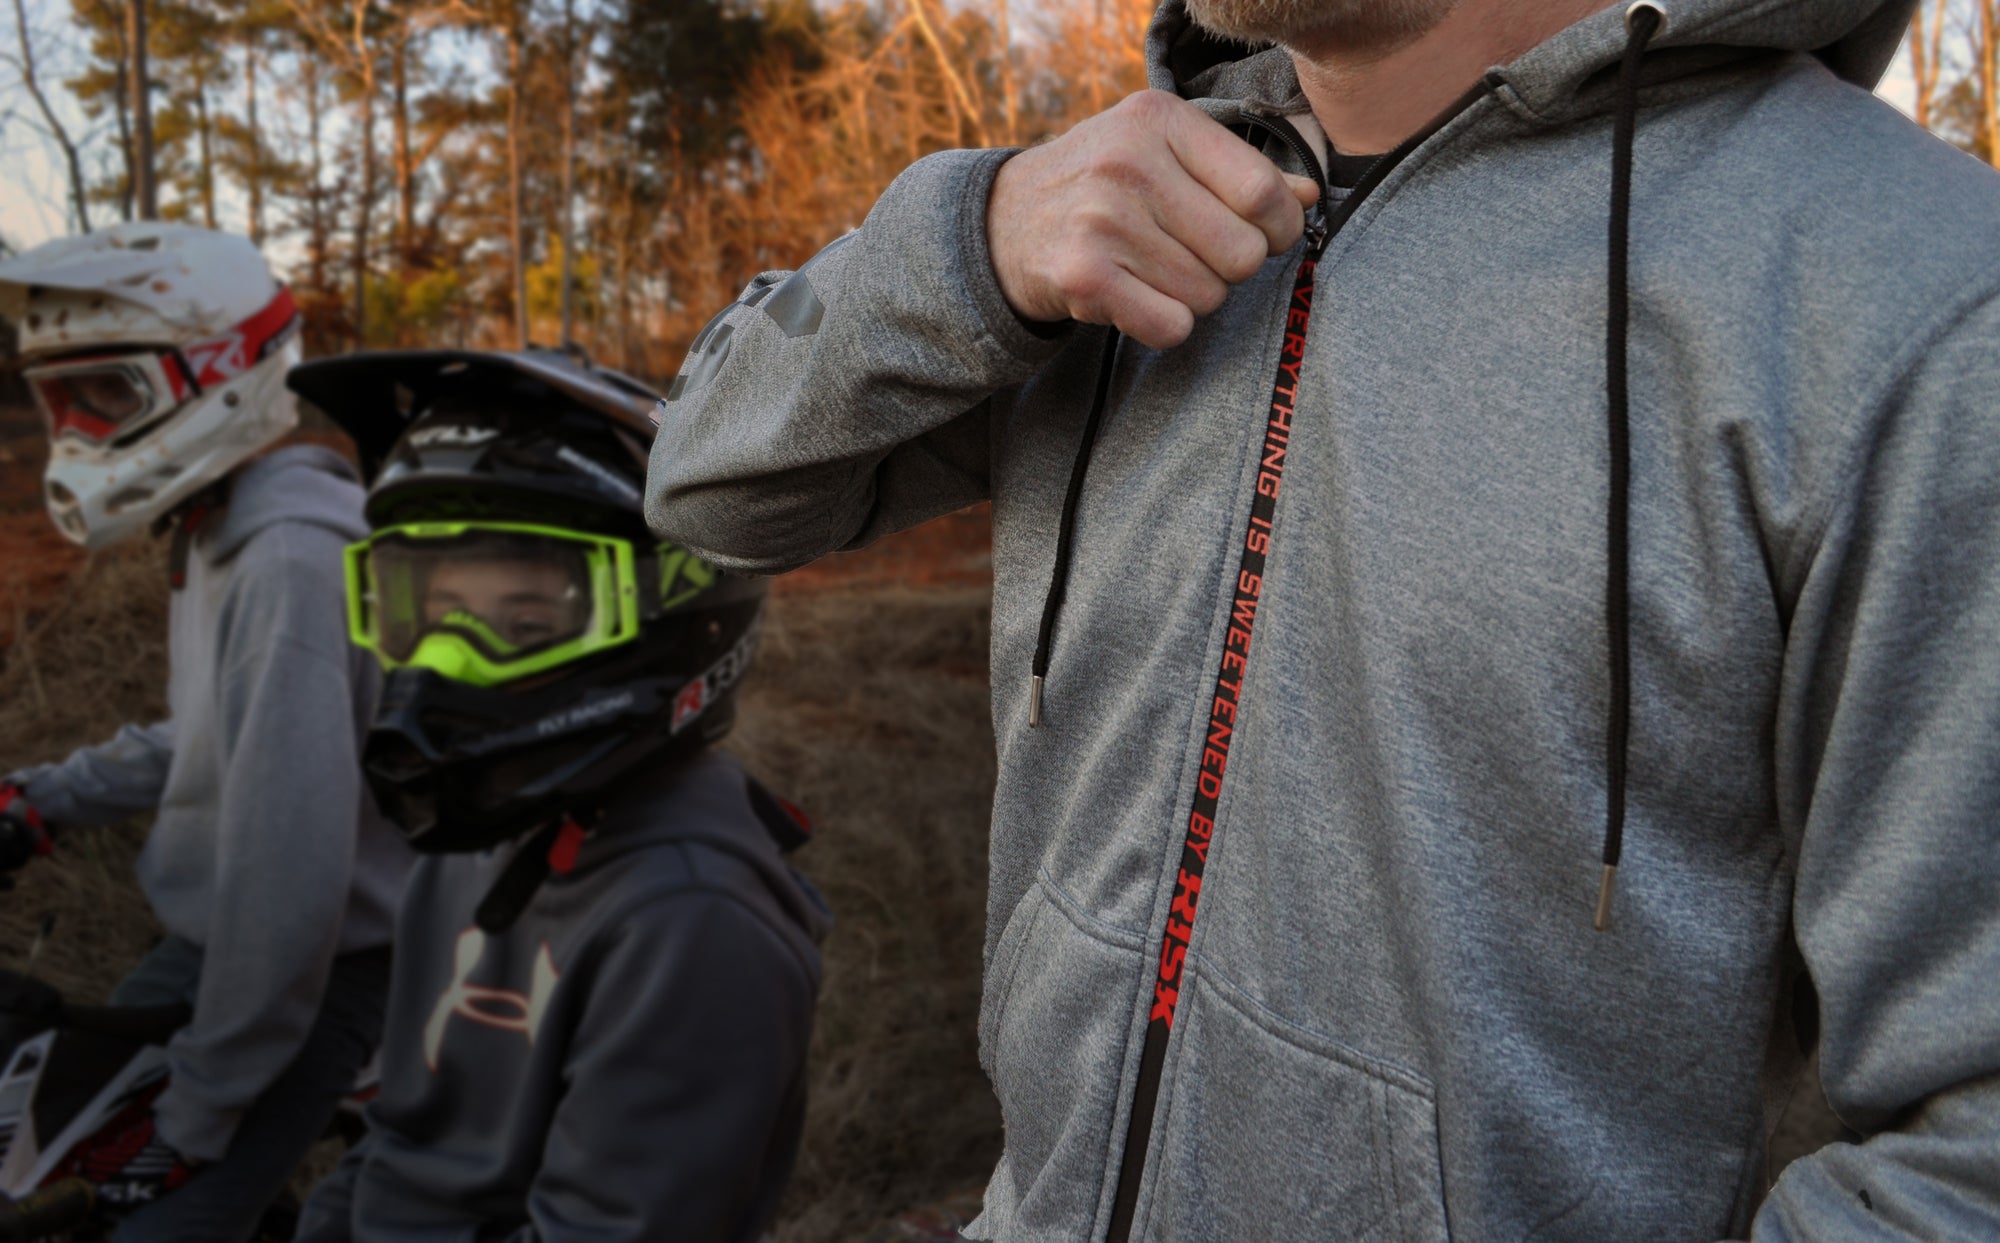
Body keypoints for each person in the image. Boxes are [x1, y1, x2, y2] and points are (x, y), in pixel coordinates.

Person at [643, 0, 2000, 1237]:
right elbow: (707, 483)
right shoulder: (1112, 209)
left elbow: (1971, 1155)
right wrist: (975, 244)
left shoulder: (1911, 299)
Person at [285, 348, 829, 1243]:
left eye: (524, 622)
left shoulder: (691, 919)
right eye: (425, 610)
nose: (442, 662)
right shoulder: (489, 827)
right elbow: (403, 1141)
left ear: (677, 613)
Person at [0, 223, 413, 1240]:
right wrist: (44, 797)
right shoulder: (221, 521)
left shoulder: (287, 558)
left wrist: (193, 1113)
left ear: (217, 374)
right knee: (31, 1160)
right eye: (63, 405)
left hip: (312, 972)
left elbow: (290, 875)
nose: (82, 436)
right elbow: (209, 735)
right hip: (221, 944)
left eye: (108, 399)